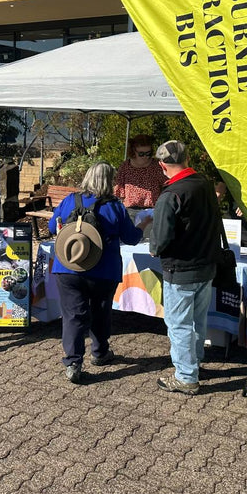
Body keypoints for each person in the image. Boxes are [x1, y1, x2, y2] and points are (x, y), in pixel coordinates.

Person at [48, 161, 143, 384]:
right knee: (101, 311)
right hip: (104, 269)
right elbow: (131, 238)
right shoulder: (115, 207)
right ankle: (100, 353)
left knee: (73, 315)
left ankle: (73, 362)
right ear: (109, 181)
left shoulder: (70, 200)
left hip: (69, 267)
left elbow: (53, 228)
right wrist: (143, 225)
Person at [150, 140, 220, 395]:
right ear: (187, 159)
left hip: (181, 269)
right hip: (206, 265)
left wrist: (154, 248)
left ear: (162, 165)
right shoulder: (204, 184)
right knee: (197, 320)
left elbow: (160, 238)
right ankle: (195, 362)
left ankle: (186, 376)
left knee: (178, 324)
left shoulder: (171, 193)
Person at [114, 134, 167, 223]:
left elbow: (166, 186)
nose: (145, 157)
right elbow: (119, 192)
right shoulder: (125, 166)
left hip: (152, 211)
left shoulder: (157, 166)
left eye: (148, 153)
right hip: (130, 211)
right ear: (133, 152)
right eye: (141, 154)